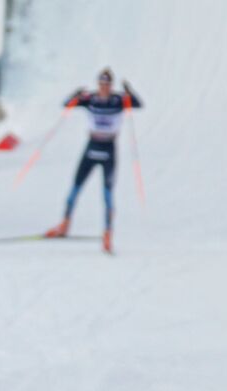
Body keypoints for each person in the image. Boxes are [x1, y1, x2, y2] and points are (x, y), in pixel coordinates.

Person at [45, 68, 142, 254]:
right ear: (98, 84)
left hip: (108, 150)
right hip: (91, 147)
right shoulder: (91, 99)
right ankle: (65, 223)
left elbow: (137, 104)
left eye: (107, 84)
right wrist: (75, 94)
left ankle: (107, 233)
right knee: (75, 188)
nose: (104, 88)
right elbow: (67, 104)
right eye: (101, 84)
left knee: (107, 194)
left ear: (110, 85)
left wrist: (130, 91)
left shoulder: (118, 100)